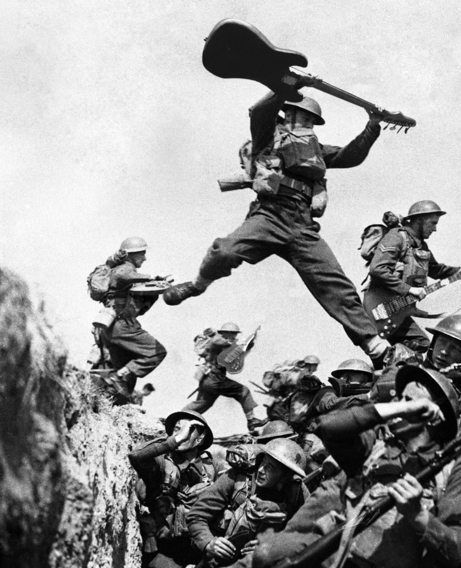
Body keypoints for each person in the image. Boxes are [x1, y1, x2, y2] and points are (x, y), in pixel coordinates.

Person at [163, 84, 390, 367]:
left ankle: (377, 348)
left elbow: (350, 156)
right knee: (225, 250)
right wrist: (287, 86)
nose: (308, 125)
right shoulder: (267, 136)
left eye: (312, 121)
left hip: (302, 224)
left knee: (336, 285)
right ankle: (197, 285)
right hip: (270, 214)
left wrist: (373, 125)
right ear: (288, 116)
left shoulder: (316, 150)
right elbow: (259, 111)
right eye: (303, 118)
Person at [252, 366, 461, 568]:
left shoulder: (452, 468)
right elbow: (328, 427)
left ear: (432, 417)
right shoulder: (375, 448)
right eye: (399, 399)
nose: (398, 405)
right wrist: (404, 407)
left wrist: (418, 515)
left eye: (410, 400)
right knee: (267, 554)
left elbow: (459, 546)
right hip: (338, 556)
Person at [364, 201, 461, 354]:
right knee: (420, 344)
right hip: (381, 307)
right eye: (432, 223)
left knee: (421, 344)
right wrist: (409, 289)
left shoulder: (420, 246)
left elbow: (436, 270)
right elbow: (377, 269)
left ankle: (397, 360)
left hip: (398, 310)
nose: (435, 229)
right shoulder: (396, 237)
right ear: (419, 220)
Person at [187, 438, 309, 566]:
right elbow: (196, 515)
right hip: (221, 556)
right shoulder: (237, 478)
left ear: (285, 477)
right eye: (263, 461)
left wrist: (274, 545)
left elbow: (308, 532)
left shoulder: (297, 493)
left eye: (270, 468)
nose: (261, 470)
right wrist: (209, 543)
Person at [129, 410, 216, 568]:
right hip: (166, 551)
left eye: (189, 429)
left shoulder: (210, 467)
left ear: (200, 438)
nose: (181, 432)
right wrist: (176, 439)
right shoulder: (162, 464)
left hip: (200, 547)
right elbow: (136, 456)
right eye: (177, 428)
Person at [99, 237, 168, 400]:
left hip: (112, 327)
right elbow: (123, 274)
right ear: (131, 255)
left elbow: (139, 308)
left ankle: (110, 401)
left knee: (126, 386)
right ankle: (117, 377)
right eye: (142, 254)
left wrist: (154, 286)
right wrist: (149, 278)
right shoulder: (123, 270)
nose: (144, 258)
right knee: (157, 352)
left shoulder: (126, 277)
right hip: (123, 326)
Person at [185, 322, 263, 434]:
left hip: (208, 379)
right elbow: (223, 344)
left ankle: (178, 419)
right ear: (226, 333)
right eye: (233, 334)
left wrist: (249, 343)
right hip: (214, 378)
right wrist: (241, 342)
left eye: (235, 334)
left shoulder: (222, 344)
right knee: (244, 391)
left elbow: (236, 352)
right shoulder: (217, 340)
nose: (234, 336)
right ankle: (252, 421)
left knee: (202, 404)